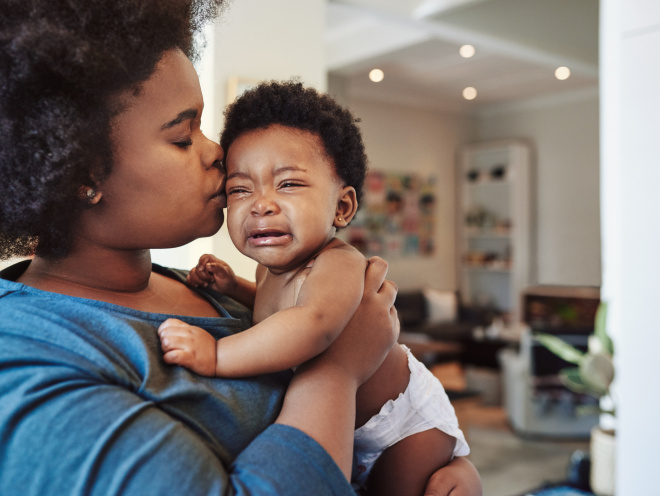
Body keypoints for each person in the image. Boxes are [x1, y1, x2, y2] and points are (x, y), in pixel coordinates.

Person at [0, 1, 482, 495]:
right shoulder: (29, 360)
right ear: (82, 174)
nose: (217, 153)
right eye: (183, 137)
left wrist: (447, 463)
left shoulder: (195, 286)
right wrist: (337, 370)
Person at [157, 80, 470, 496]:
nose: (260, 203)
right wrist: (235, 287)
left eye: (288, 184)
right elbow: (278, 310)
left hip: (404, 422)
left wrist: (216, 354)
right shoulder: (272, 268)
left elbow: (312, 325)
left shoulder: (337, 263)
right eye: (239, 189)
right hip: (346, 425)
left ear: (342, 207)